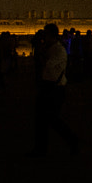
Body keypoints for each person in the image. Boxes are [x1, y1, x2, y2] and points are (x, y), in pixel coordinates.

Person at [31, 23, 80, 157]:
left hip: (54, 88)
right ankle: (40, 148)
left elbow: (48, 68)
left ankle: (72, 140)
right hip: (47, 86)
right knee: (42, 120)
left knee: (51, 119)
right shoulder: (50, 49)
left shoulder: (58, 50)